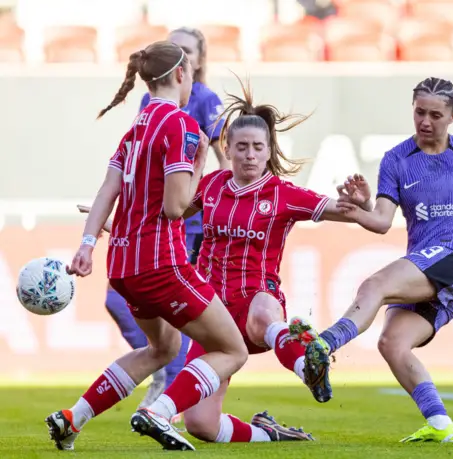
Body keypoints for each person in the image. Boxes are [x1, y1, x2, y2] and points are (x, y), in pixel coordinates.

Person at [91, 75, 357, 442]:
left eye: (258, 147)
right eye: (242, 146)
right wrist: (116, 219)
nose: (250, 154)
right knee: (202, 425)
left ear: (269, 150)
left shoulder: (284, 194)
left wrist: (361, 202)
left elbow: (372, 220)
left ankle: (308, 365)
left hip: (256, 303)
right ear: (227, 148)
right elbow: (167, 213)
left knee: (265, 313)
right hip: (212, 310)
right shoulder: (213, 185)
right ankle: (273, 435)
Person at [289, 77, 453, 443]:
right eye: (420, 112)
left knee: (374, 285)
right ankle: (440, 424)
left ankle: (323, 345)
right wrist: (360, 207)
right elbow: (382, 222)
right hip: (425, 261)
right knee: (392, 343)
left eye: (436, 114)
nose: (426, 121)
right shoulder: (397, 160)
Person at [45, 41, 249, 452]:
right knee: (232, 349)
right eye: (190, 73)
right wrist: (199, 167)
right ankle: (159, 411)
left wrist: (87, 243)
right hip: (161, 264)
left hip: (122, 265)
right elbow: (175, 208)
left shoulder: (136, 128)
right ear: (179, 74)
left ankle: (72, 419)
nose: (191, 81)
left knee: (162, 348)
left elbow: (108, 190)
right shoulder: (181, 127)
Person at [103, 26, 229, 411]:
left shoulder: (206, 102)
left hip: (188, 230)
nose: (182, 57)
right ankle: (163, 366)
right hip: (150, 227)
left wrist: (216, 209)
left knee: (183, 317)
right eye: (175, 50)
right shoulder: (150, 102)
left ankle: (170, 384)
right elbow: (141, 168)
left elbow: (226, 162)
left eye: (187, 51)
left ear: (198, 61)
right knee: (117, 301)